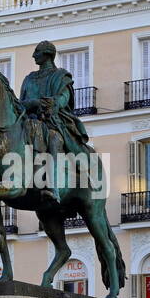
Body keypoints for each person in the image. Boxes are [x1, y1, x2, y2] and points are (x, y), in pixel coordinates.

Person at [18, 40, 93, 206]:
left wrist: (49, 104)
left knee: (53, 139)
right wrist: (33, 104)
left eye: (37, 52)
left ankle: (53, 187)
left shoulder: (61, 76)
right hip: (29, 120)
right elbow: (19, 103)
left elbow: (63, 99)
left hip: (52, 120)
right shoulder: (29, 79)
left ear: (47, 54)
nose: (33, 55)